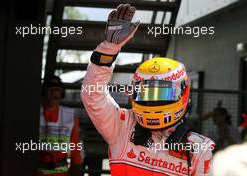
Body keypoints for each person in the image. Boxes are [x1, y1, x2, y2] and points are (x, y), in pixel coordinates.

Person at [81, 4, 215, 176]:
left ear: (183, 93)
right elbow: (92, 94)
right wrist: (109, 48)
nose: (152, 101)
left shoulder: (199, 150)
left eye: (162, 93)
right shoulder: (122, 126)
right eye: (145, 92)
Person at [38, 75, 82, 176]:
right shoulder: (31, 114)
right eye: (50, 90)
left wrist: (76, 170)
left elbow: (75, 152)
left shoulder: (71, 117)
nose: (54, 93)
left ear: (62, 94)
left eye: (57, 90)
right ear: (43, 92)